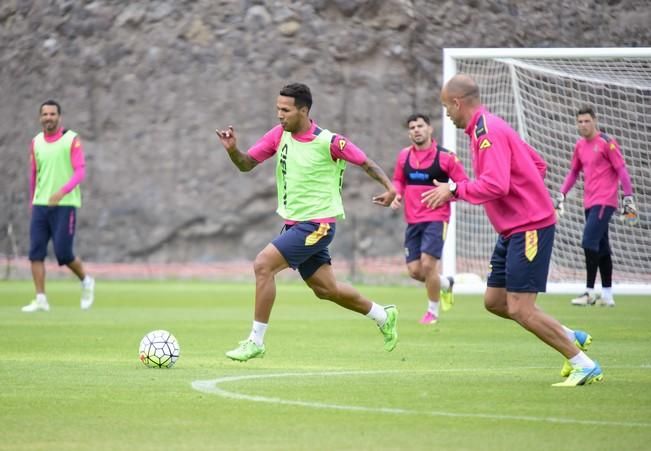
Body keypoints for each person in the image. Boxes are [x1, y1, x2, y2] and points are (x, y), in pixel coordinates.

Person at [422, 74, 602, 387]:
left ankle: (583, 363)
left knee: (520, 308)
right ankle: (569, 335)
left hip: (528, 228)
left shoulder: (487, 130)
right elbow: (538, 165)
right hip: (514, 229)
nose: (446, 114)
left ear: (457, 102)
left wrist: (453, 189)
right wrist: (526, 195)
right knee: (495, 301)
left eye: (445, 107)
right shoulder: (487, 127)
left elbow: (495, 183)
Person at [215, 83, 399, 361]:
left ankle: (255, 341)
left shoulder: (329, 142)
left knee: (263, 265)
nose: (279, 115)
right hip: (295, 225)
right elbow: (247, 164)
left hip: (318, 226)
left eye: (285, 110)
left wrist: (390, 188)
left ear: (303, 110)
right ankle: (383, 316)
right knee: (327, 290)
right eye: (277, 108)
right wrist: (232, 150)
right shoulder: (279, 135)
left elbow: (366, 162)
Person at [554, 106, 636, 308]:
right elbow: (573, 173)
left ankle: (589, 292)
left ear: (595, 121)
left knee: (588, 241)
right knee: (602, 248)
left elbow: (621, 170)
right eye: (580, 121)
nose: (583, 125)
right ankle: (607, 296)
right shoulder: (580, 146)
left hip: (605, 201)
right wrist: (561, 194)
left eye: (587, 121)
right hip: (589, 202)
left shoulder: (607, 143)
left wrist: (628, 197)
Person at [390, 113, 468, 324]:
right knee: (415, 271)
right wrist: (396, 194)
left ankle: (432, 312)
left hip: (437, 217)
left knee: (428, 264)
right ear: (409, 133)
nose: (416, 129)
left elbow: (463, 184)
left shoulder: (446, 157)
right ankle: (444, 284)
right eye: (412, 127)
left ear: (430, 129)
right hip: (413, 220)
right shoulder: (404, 156)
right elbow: (398, 180)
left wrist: (448, 192)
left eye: (420, 126)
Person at [22, 100, 95, 312]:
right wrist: (32, 202)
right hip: (40, 205)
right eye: (45, 114)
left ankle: (86, 281)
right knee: (35, 253)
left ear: (59, 117)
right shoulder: (36, 142)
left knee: (63, 253)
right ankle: (41, 298)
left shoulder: (70, 139)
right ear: (40, 118)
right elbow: (34, 174)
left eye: (52, 114)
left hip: (65, 204)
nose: (48, 118)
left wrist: (61, 192)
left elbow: (80, 171)